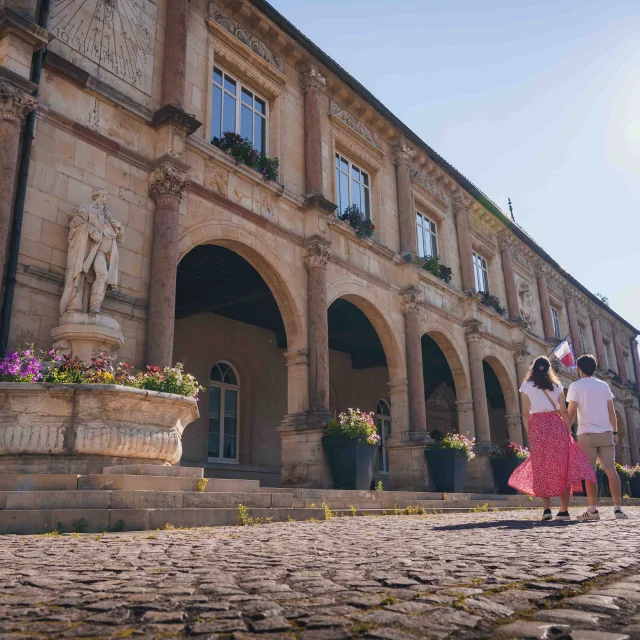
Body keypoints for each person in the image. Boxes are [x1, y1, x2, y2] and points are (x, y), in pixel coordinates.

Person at [509, 356, 596, 521]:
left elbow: (525, 413)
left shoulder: (526, 386)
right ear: (549, 370)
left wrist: (530, 431)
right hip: (558, 427)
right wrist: (568, 430)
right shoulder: (557, 386)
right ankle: (564, 511)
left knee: (542, 468)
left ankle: (547, 509)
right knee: (563, 467)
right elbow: (563, 412)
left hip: (538, 427)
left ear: (533, 369)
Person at [567, 354, 629, 521]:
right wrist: (614, 432)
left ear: (579, 369)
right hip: (606, 433)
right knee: (611, 471)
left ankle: (593, 510)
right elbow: (611, 412)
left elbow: (571, 412)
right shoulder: (604, 386)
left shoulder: (575, 386)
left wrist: (566, 429)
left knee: (590, 473)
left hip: (586, 434)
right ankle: (618, 509)